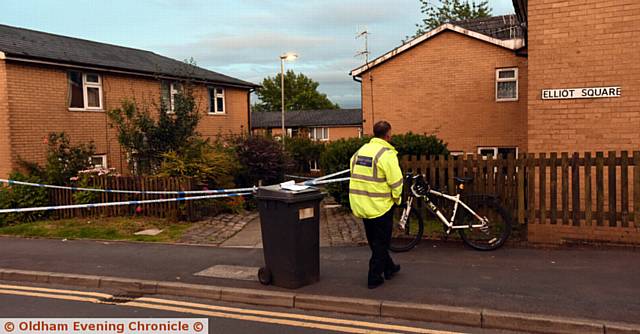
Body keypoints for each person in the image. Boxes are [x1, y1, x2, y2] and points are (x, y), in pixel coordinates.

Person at [349, 121, 403, 289]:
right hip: (380, 206)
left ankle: (389, 267)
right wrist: (396, 199)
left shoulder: (359, 152)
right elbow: (396, 182)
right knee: (381, 242)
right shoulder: (386, 155)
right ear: (388, 135)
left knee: (375, 241)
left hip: (362, 204)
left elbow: (354, 174)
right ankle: (374, 276)